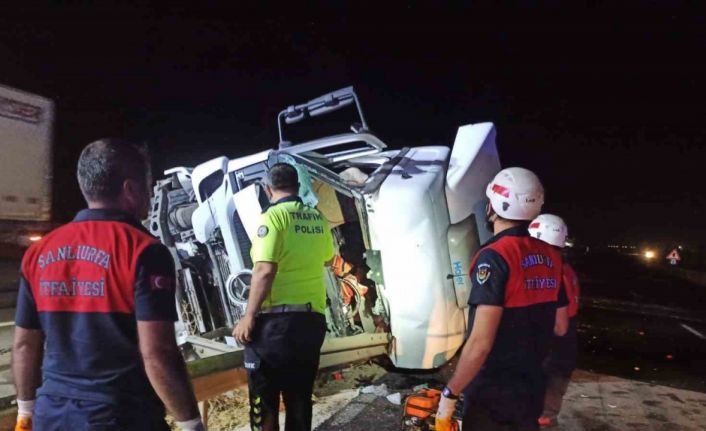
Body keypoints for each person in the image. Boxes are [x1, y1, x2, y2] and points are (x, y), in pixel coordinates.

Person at [12, 139, 202, 431]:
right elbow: (157, 353)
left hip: (51, 416)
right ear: (130, 189)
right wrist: (191, 423)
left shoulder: (38, 252)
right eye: (148, 185)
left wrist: (26, 411)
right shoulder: (142, 250)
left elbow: (25, 345)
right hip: (119, 415)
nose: (151, 195)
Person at [436, 167, 570, 431]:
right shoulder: (553, 257)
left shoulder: (494, 256)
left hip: (494, 393)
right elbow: (560, 326)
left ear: (494, 205)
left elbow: (480, 344)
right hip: (532, 386)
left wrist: (450, 393)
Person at [233, 163, 334, 431]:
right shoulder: (317, 218)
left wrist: (248, 317)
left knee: (263, 400)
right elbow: (326, 260)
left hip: (275, 326)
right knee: (299, 398)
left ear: (268, 189)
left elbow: (265, 270)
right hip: (311, 323)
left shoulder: (273, 218)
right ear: (298, 186)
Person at [528, 214, 580, 427]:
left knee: (542, 409)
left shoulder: (553, 271)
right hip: (566, 343)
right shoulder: (565, 267)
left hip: (555, 343)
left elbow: (558, 326)